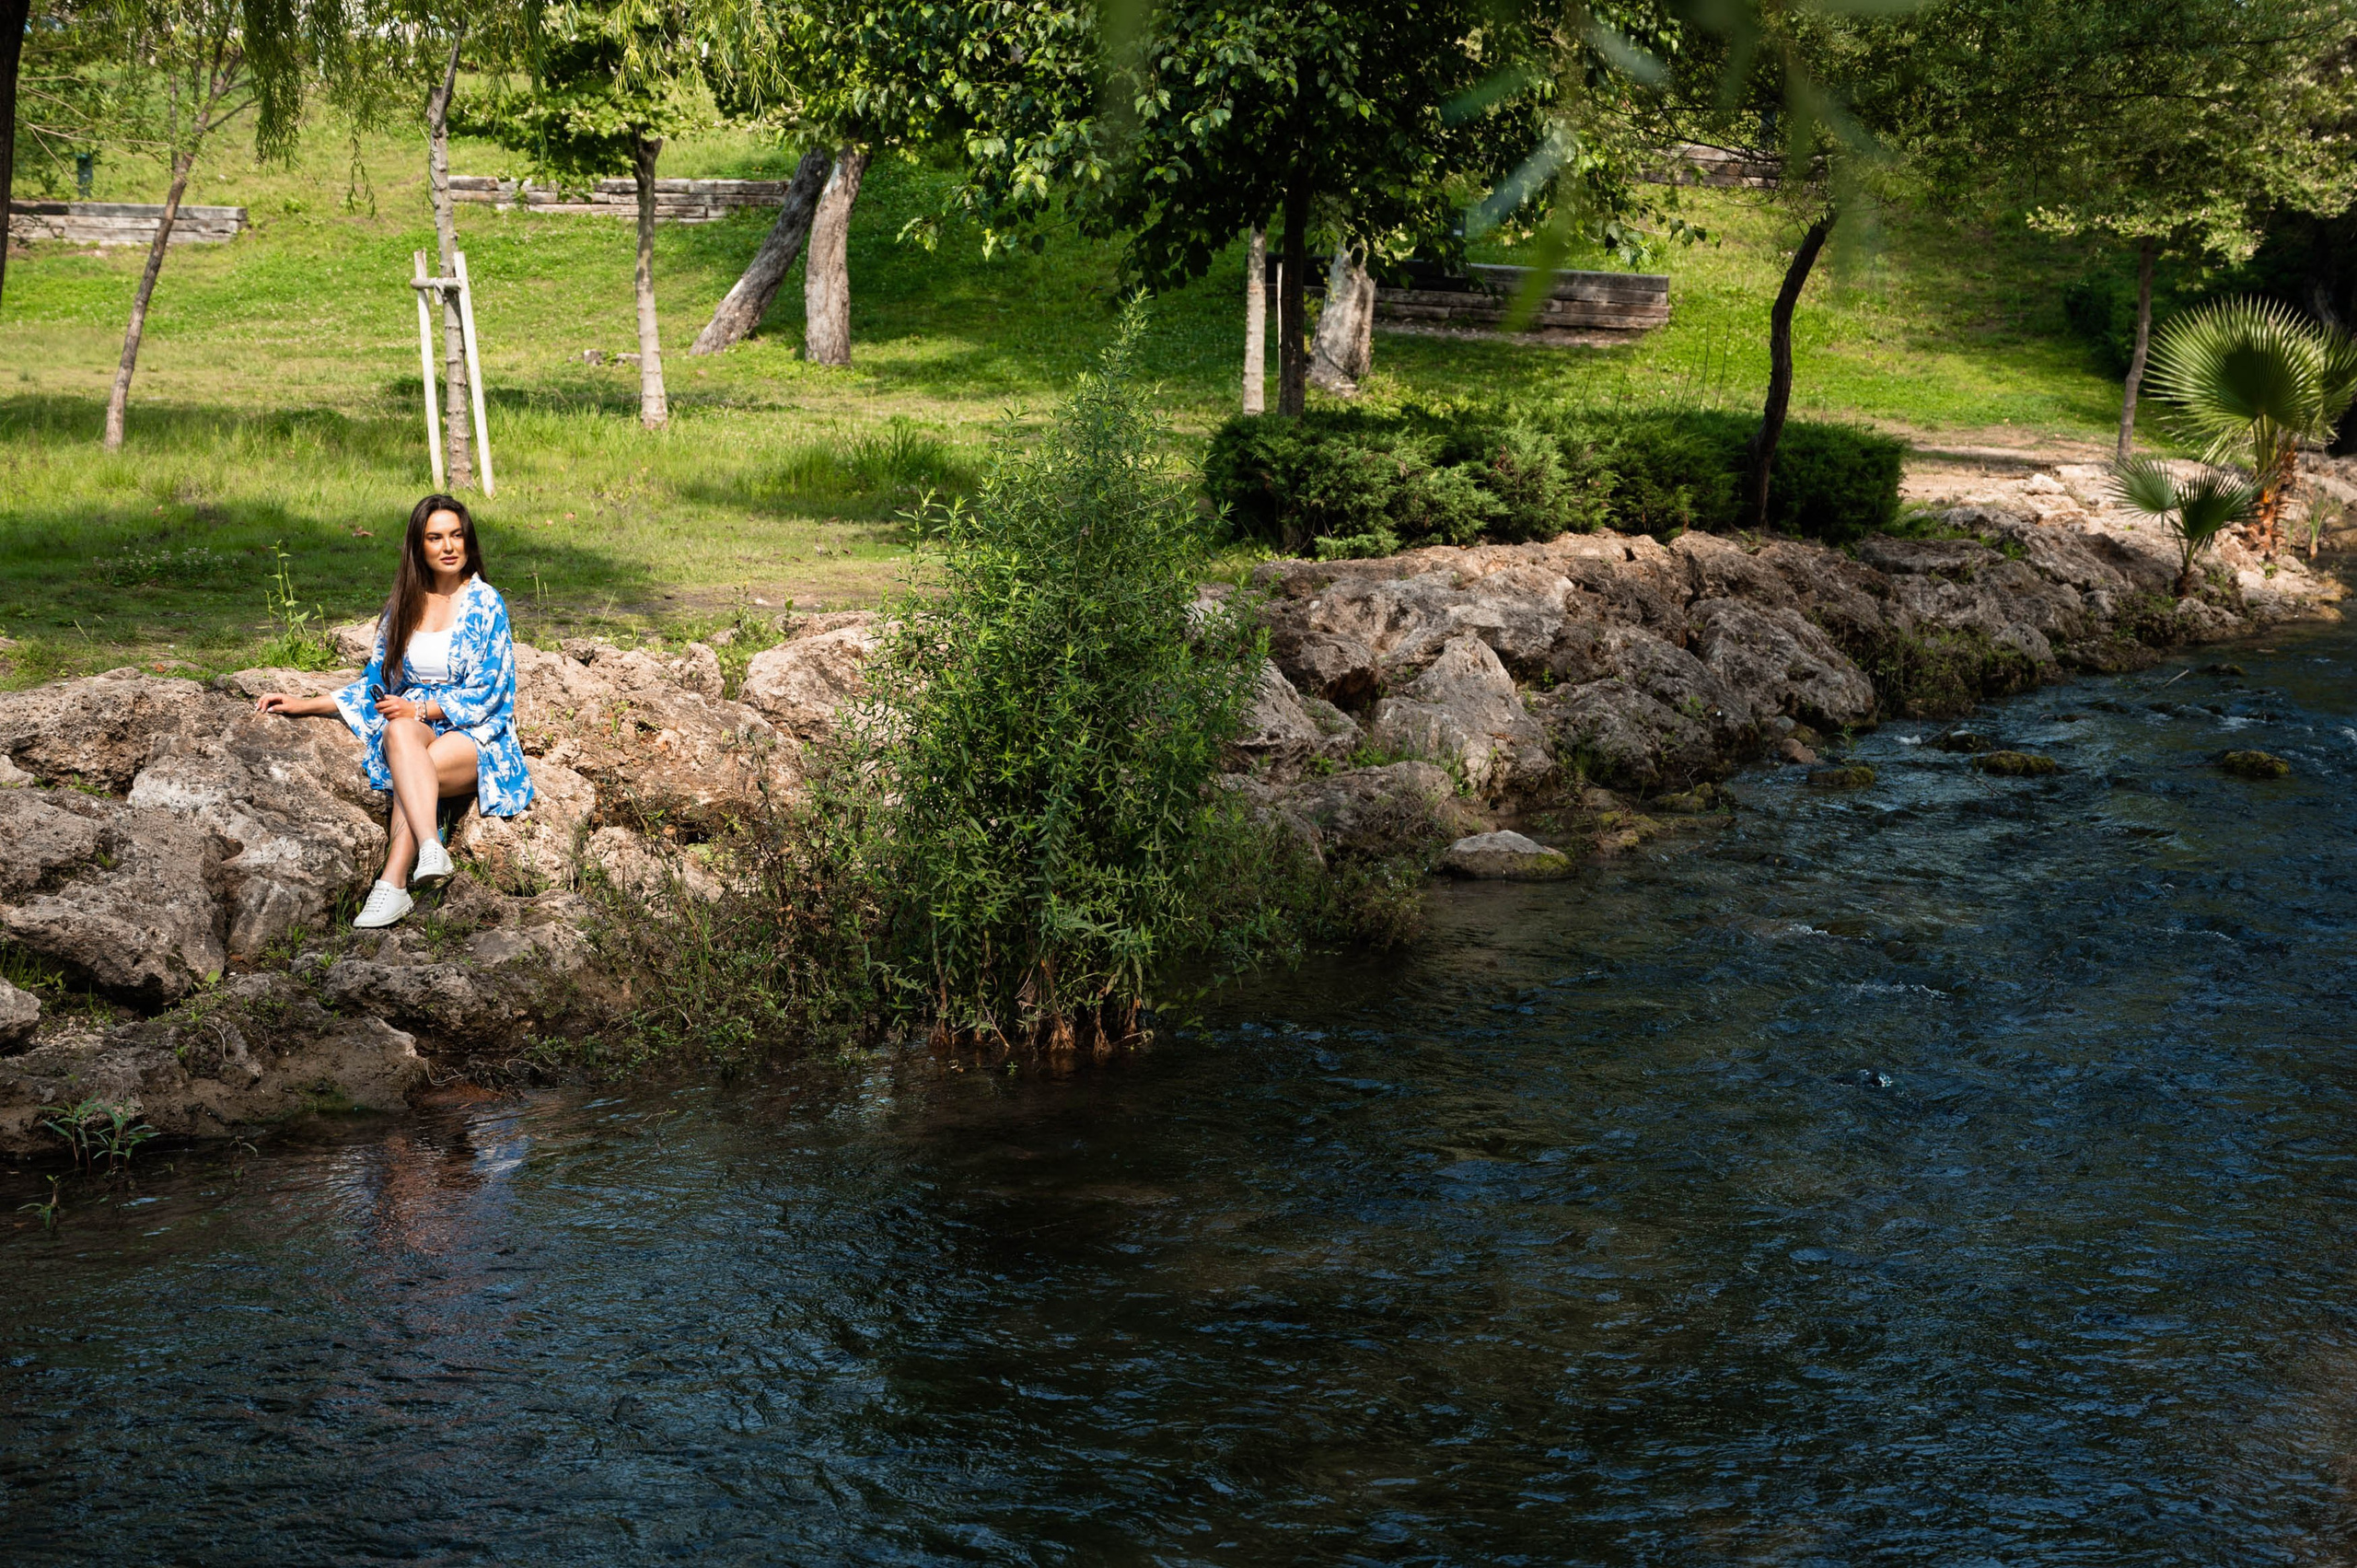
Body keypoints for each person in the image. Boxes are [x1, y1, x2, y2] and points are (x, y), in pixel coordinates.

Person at [254, 495, 535, 929]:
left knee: (409, 765)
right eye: (435, 537)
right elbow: (377, 685)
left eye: (456, 535)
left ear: (468, 541)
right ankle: (430, 847)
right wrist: (304, 704)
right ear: (418, 546)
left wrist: (420, 706)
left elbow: (490, 690)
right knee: (399, 734)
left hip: (475, 731)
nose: (448, 547)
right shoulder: (403, 604)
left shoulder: (485, 602)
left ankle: (393, 881)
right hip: (416, 726)